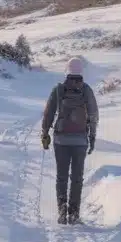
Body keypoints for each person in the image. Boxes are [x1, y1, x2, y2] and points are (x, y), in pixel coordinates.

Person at [41, 57, 99, 224]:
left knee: (61, 176)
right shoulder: (86, 90)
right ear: (82, 72)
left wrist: (45, 133)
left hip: (61, 140)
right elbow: (93, 116)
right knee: (77, 178)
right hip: (80, 140)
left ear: (66, 70)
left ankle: (62, 208)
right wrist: (92, 136)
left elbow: (48, 114)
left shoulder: (58, 90)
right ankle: (74, 213)